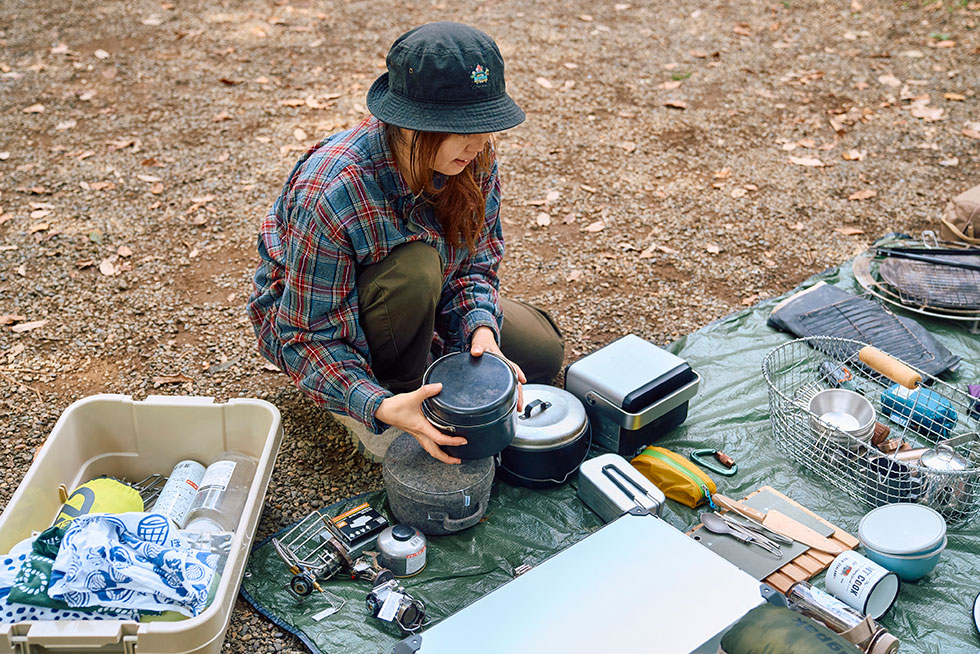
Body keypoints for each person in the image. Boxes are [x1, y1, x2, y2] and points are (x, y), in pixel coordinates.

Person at [247, 22, 564, 465]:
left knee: (541, 356)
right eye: (462, 128)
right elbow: (304, 334)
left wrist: (481, 331)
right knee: (416, 268)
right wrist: (376, 405)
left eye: (486, 124)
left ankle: (431, 365)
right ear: (411, 125)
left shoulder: (473, 158)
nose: (479, 142)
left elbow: (474, 267)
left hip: (421, 301)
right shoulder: (334, 192)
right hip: (335, 321)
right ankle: (397, 395)